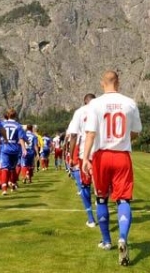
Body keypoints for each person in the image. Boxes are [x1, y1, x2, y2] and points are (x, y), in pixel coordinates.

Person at [82, 71, 142, 266]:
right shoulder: (130, 103)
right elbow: (135, 133)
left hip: (102, 156)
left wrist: (85, 158)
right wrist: (123, 139)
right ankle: (123, 238)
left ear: (102, 84)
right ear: (119, 82)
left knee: (101, 198)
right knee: (123, 199)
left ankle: (106, 240)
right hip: (122, 156)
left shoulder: (95, 104)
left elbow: (90, 133)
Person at [67, 93, 97, 227]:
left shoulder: (79, 112)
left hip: (84, 152)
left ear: (84, 102)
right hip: (100, 151)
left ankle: (91, 218)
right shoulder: (100, 109)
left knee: (85, 185)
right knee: (101, 187)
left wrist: (70, 154)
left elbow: (73, 135)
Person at [0, 108, 27, 195]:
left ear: (7, 115)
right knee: (12, 168)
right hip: (15, 149)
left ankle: (4, 188)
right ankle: (12, 183)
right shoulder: (18, 125)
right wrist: (24, 148)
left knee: (4, 168)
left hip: (5, 148)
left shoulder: (2, 124)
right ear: (15, 116)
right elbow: (21, 138)